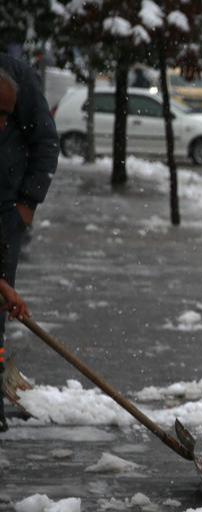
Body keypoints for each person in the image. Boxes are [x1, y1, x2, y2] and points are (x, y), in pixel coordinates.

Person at [0, 57, 59, 432]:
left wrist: (26, 205)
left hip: (6, 211)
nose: (4, 126)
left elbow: (45, 143)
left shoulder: (17, 77)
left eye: (8, 117)